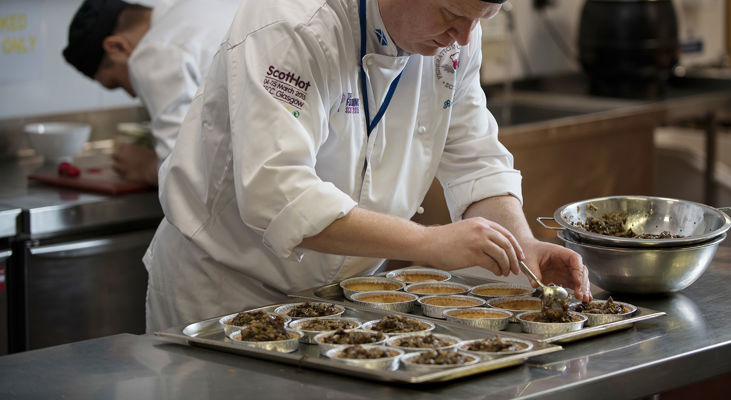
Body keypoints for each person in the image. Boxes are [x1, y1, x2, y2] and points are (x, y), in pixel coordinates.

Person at [144, 0, 593, 331]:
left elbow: (475, 161)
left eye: (482, 19)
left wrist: (523, 247)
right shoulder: (290, 23)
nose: (465, 37)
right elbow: (278, 194)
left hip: (344, 299)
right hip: (225, 292)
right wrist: (427, 242)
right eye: (451, 15)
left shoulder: (455, 39)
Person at [62, 0, 241, 184]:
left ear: (116, 47)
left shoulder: (155, 52)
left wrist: (145, 166)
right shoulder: (201, 9)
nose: (132, 95)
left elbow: (184, 176)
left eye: (116, 83)